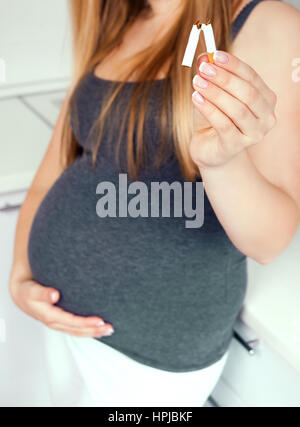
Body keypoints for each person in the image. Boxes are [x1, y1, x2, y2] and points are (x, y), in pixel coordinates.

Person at [9, 0, 300, 407]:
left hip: (149, 360)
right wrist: (21, 276)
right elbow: (48, 180)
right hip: (59, 322)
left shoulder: (269, 22)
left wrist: (221, 162)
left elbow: (269, 241)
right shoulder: (121, 21)